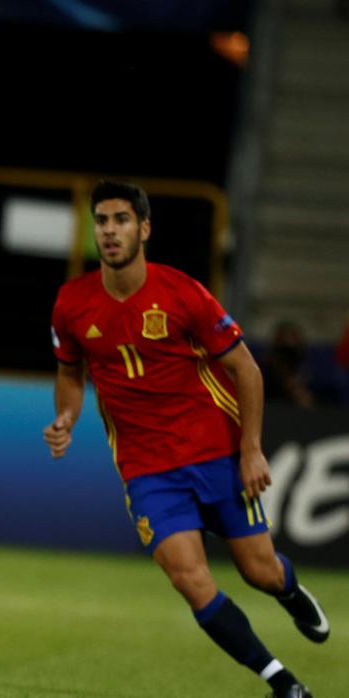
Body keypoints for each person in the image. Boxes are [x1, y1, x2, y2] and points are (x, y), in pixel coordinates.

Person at [43, 181, 329, 698]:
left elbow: (247, 370)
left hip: (215, 452)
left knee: (259, 571)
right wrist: (66, 416)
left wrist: (250, 449)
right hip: (147, 469)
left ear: (144, 229)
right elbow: (70, 371)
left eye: (121, 220)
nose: (110, 231)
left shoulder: (182, 293)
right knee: (188, 578)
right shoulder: (71, 303)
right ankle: (283, 683)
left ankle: (288, 591)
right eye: (102, 221)